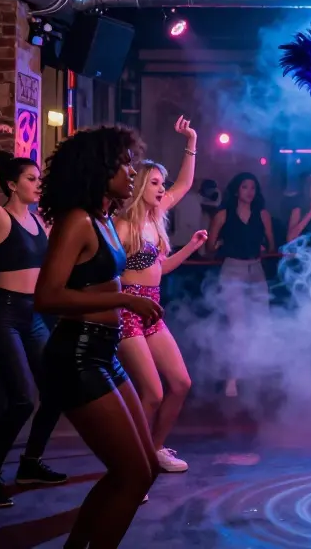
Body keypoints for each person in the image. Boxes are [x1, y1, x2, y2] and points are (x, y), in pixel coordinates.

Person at [34, 126, 163, 549]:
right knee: (133, 474)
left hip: (103, 352)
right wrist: (126, 298)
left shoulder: (105, 218)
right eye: (123, 163)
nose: (131, 171)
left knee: (141, 467)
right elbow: (47, 296)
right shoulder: (76, 220)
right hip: (77, 354)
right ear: (98, 168)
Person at [0, 124, 67, 508]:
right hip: (4, 315)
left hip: (34, 316)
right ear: (11, 185)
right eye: (31, 178)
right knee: (23, 400)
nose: (38, 184)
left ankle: (30, 463)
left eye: (39, 178)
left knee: (55, 393)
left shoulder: (40, 221)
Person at [113, 115, 209, 474]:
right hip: (127, 310)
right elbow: (107, 273)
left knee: (181, 383)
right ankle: (132, 461)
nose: (161, 188)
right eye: (154, 183)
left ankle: (153, 451)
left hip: (153, 308)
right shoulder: (124, 225)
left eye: (161, 184)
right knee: (151, 393)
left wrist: (192, 140)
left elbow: (185, 183)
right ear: (139, 186)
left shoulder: (156, 217)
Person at [206, 172, 276, 398]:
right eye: (245, 187)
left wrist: (264, 248)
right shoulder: (223, 214)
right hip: (233, 268)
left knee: (261, 324)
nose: (250, 191)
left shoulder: (262, 214)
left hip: (256, 269)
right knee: (237, 327)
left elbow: (272, 245)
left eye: (253, 188)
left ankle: (255, 375)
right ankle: (232, 379)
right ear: (237, 190)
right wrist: (222, 244)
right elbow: (209, 249)